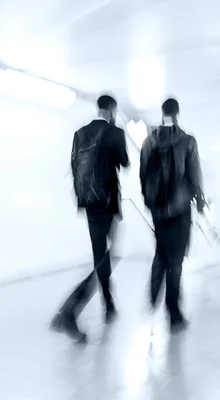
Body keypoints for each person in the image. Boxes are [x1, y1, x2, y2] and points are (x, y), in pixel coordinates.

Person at [50, 95, 130, 342]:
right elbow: (125, 163)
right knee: (109, 255)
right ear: (112, 110)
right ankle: (68, 311)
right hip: (107, 203)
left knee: (102, 255)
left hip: (89, 203)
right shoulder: (114, 132)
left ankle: (108, 303)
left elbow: (74, 168)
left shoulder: (80, 133)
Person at [140, 98, 204, 334]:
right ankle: (173, 312)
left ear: (162, 113)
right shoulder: (187, 141)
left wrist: (151, 203)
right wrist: (200, 201)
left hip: (158, 208)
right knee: (176, 260)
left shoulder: (148, 141)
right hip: (179, 208)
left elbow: (142, 175)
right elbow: (194, 175)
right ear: (177, 113)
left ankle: (152, 298)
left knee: (161, 251)